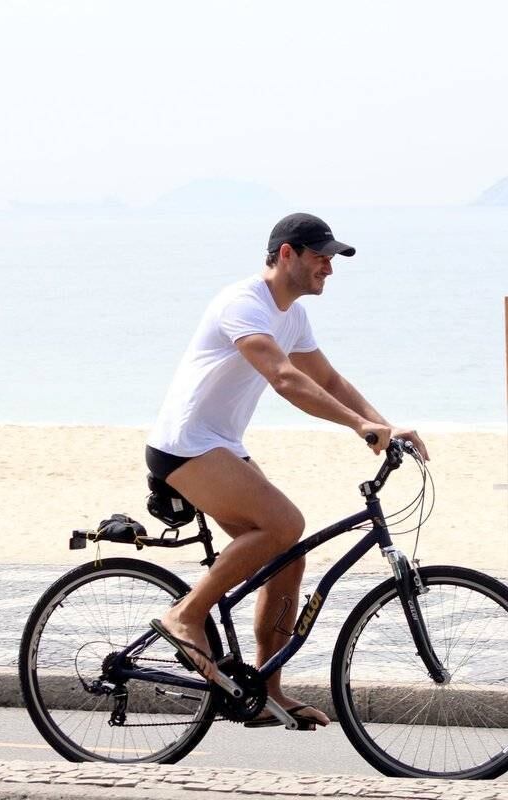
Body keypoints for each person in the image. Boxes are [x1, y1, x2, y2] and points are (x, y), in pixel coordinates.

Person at [146, 212, 429, 729]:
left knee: (287, 560)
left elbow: (327, 377)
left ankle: (265, 694)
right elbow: (284, 379)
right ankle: (185, 615)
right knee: (283, 525)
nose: (330, 268)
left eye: (332, 259)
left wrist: (385, 427)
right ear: (286, 255)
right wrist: (358, 427)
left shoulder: (292, 315)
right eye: (321, 257)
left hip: (219, 445)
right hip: (184, 445)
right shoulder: (243, 304)